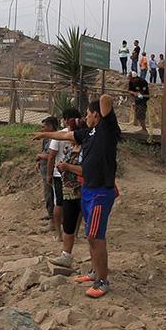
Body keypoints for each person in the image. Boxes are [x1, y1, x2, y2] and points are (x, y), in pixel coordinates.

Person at [34, 95, 120, 298]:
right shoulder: (88, 133)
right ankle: (94, 272)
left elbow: (105, 98)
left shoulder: (106, 130)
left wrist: (98, 101)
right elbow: (66, 136)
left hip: (100, 192)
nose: (85, 117)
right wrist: (44, 135)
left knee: (95, 237)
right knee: (90, 236)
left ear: (97, 115)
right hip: (88, 190)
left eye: (88, 114)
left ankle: (102, 280)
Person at [50, 123, 86, 268]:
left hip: (82, 190)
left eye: (72, 133)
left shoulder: (87, 150)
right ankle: (66, 255)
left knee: (88, 225)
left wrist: (67, 167)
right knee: (69, 223)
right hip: (68, 191)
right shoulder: (70, 149)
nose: (69, 135)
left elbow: (86, 170)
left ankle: (95, 263)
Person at [48, 108, 81, 241]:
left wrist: (48, 175)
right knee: (78, 205)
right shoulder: (82, 134)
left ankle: (58, 234)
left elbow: (51, 156)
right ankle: (76, 233)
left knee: (59, 203)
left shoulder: (59, 135)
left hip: (60, 175)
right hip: (77, 174)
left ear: (66, 119)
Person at [35, 116, 59, 221]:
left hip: (51, 170)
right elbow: (44, 152)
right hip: (44, 168)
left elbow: (51, 155)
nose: (42, 129)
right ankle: (51, 214)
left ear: (50, 126)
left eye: (44, 127)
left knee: (50, 193)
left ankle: (53, 217)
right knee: (48, 193)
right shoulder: (46, 139)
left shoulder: (56, 138)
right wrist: (38, 162)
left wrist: (40, 156)